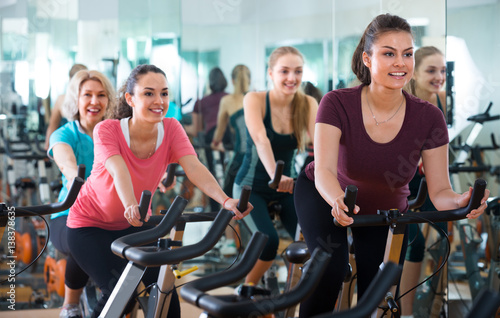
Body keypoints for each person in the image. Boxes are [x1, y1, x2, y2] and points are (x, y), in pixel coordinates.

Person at [293, 13, 489, 317]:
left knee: (379, 290)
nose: (401, 63)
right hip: (324, 195)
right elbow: (325, 171)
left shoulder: (429, 117)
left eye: (407, 54)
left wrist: (462, 201)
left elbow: (440, 191)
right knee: (329, 269)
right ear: (367, 59)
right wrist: (337, 201)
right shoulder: (336, 103)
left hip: (383, 209)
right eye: (389, 53)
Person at [66, 64, 252, 318]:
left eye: (164, 93)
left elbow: (194, 167)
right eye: (149, 93)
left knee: (164, 293)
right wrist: (130, 203)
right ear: (130, 99)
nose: (159, 101)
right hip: (89, 226)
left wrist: (225, 200)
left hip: (137, 224)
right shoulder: (107, 129)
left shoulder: (172, 128)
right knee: (120, 291)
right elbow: (118, 169)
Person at [234, 46, 318, 285]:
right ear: (271, 73)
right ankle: (247, 290)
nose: (292, 78)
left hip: (288, 189)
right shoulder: (255, 99)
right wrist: (275, 176)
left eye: (298, 72)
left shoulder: (308, 103)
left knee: (309, 241)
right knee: (268, 241)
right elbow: (261, 139)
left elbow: (322, 145)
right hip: (251, 187)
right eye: (284, 71)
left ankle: (293, 296)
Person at [47, 69, 115, 318]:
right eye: (87, 95)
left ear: (109, 100)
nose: (95, 101)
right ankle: (70, 305)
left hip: (109, 214)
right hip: (67, 214)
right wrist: (80, 180)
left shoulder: (116, 132)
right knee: (82, 231)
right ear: (76, 99)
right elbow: (67, 165)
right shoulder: (65, 134)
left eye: (101, 95)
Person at [400, 45, 448, 318]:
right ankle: (406, 312)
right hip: (403, 183)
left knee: (441, 238)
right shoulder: (405, 103)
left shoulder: (440, 100)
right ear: (414, 73)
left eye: (442, 70)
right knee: (414, 243)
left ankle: (434, 308)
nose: (439, 76)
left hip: (430, 182)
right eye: (431, 70)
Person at [186, 67, 233, 211]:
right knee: (228, 177)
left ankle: (215, 215)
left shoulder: (202, 102)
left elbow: (196, 130)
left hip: (212, 141)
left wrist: (181, 127)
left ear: (209, 82)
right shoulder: (232, 98)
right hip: (231, 140)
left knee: (213, 175)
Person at [211, 64, 251, 197]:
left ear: (232, 81)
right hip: (262, 160)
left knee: (226, 198)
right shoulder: (259, 97)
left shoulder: (227, 101)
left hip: (240, 158)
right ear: (249, 80)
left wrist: (216, 143)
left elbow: (218, 134)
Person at [45, 64, 88, 149]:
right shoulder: (61, 99)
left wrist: (47, 146)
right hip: (68, 144)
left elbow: (52, 125)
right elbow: (53, 125)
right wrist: (47, 146)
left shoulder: (92, 100)